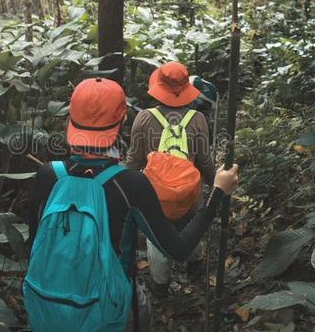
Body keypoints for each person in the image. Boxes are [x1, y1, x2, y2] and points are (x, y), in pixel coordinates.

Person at [24, 77, 238, 332]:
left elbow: (36, 243)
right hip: (108, 311)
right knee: (142, 310)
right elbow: (178, 250)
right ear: (122, 122)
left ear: (70, 120)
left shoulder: (48, 175)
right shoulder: (130, 185)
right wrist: (217, 193)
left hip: (46, 304)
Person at [126, 62, 216, 297]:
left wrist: (126, 190)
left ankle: (160, 284)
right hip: (189, 191)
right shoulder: (197, 119)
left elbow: (134, 160)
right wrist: (217, 187)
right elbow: (204, 160)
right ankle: (195, 263)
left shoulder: (143, 119)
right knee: (191, 224)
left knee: (156, 238)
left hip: (154, 194)